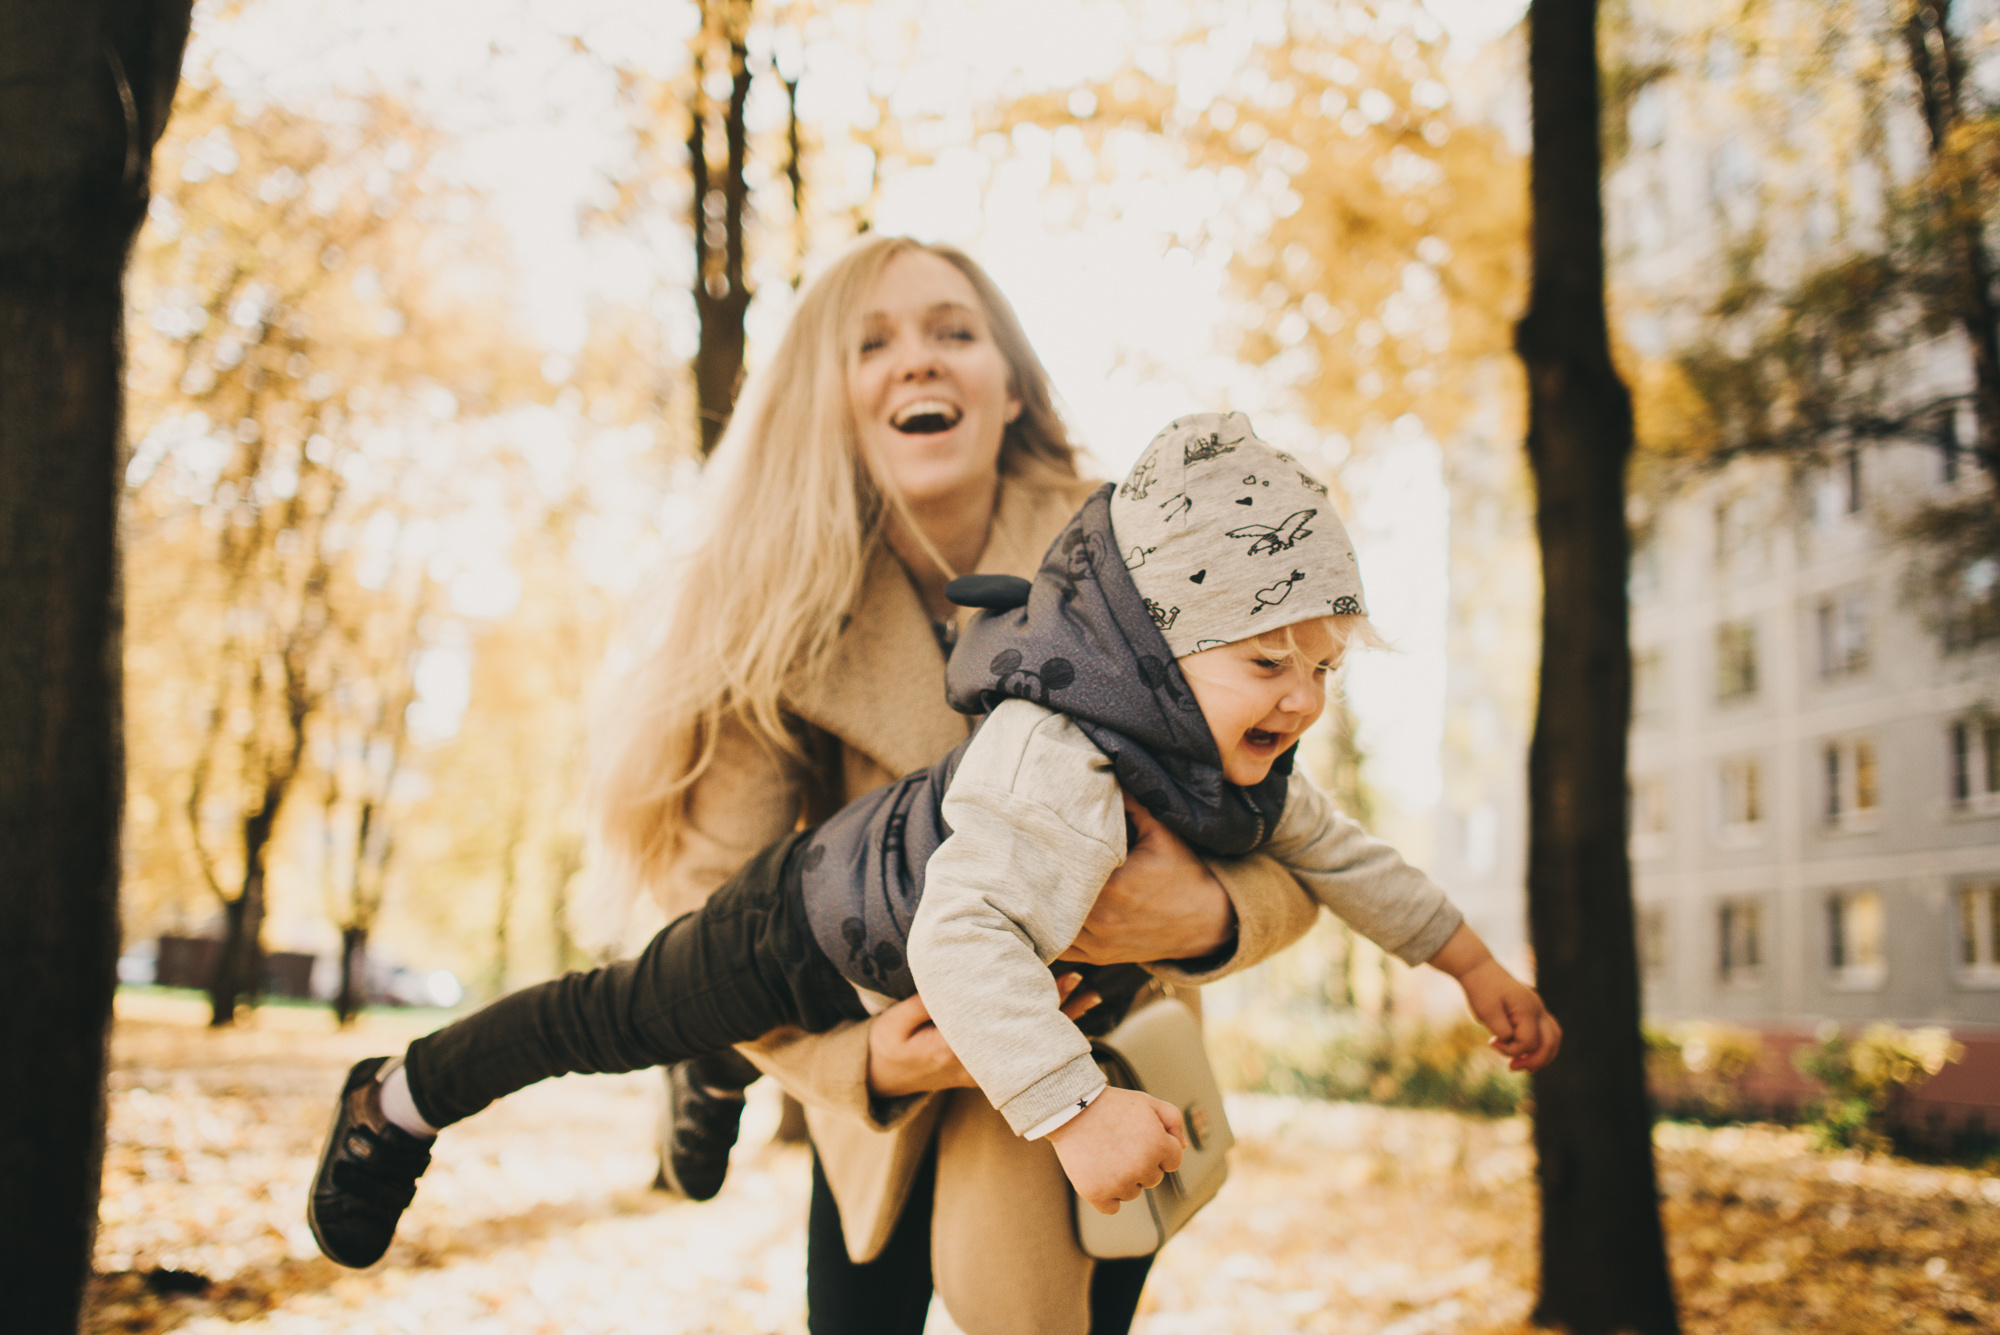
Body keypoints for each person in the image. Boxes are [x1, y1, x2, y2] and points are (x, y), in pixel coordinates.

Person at [309, 237, 1391, 1334]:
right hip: (878, 1028)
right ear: (827, 397)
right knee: (688, 1026)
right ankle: (663, 1066)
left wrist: (1204, 913)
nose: (917, 359)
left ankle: (712, 1062)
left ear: (1011, 386)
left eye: (954, 331)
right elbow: (724, 904)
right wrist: (855, 1059)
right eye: (872, 343)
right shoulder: (770, 599)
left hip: (1092, 1033)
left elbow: (1293, 829)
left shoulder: (1148, 556)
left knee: (1034, 1306)